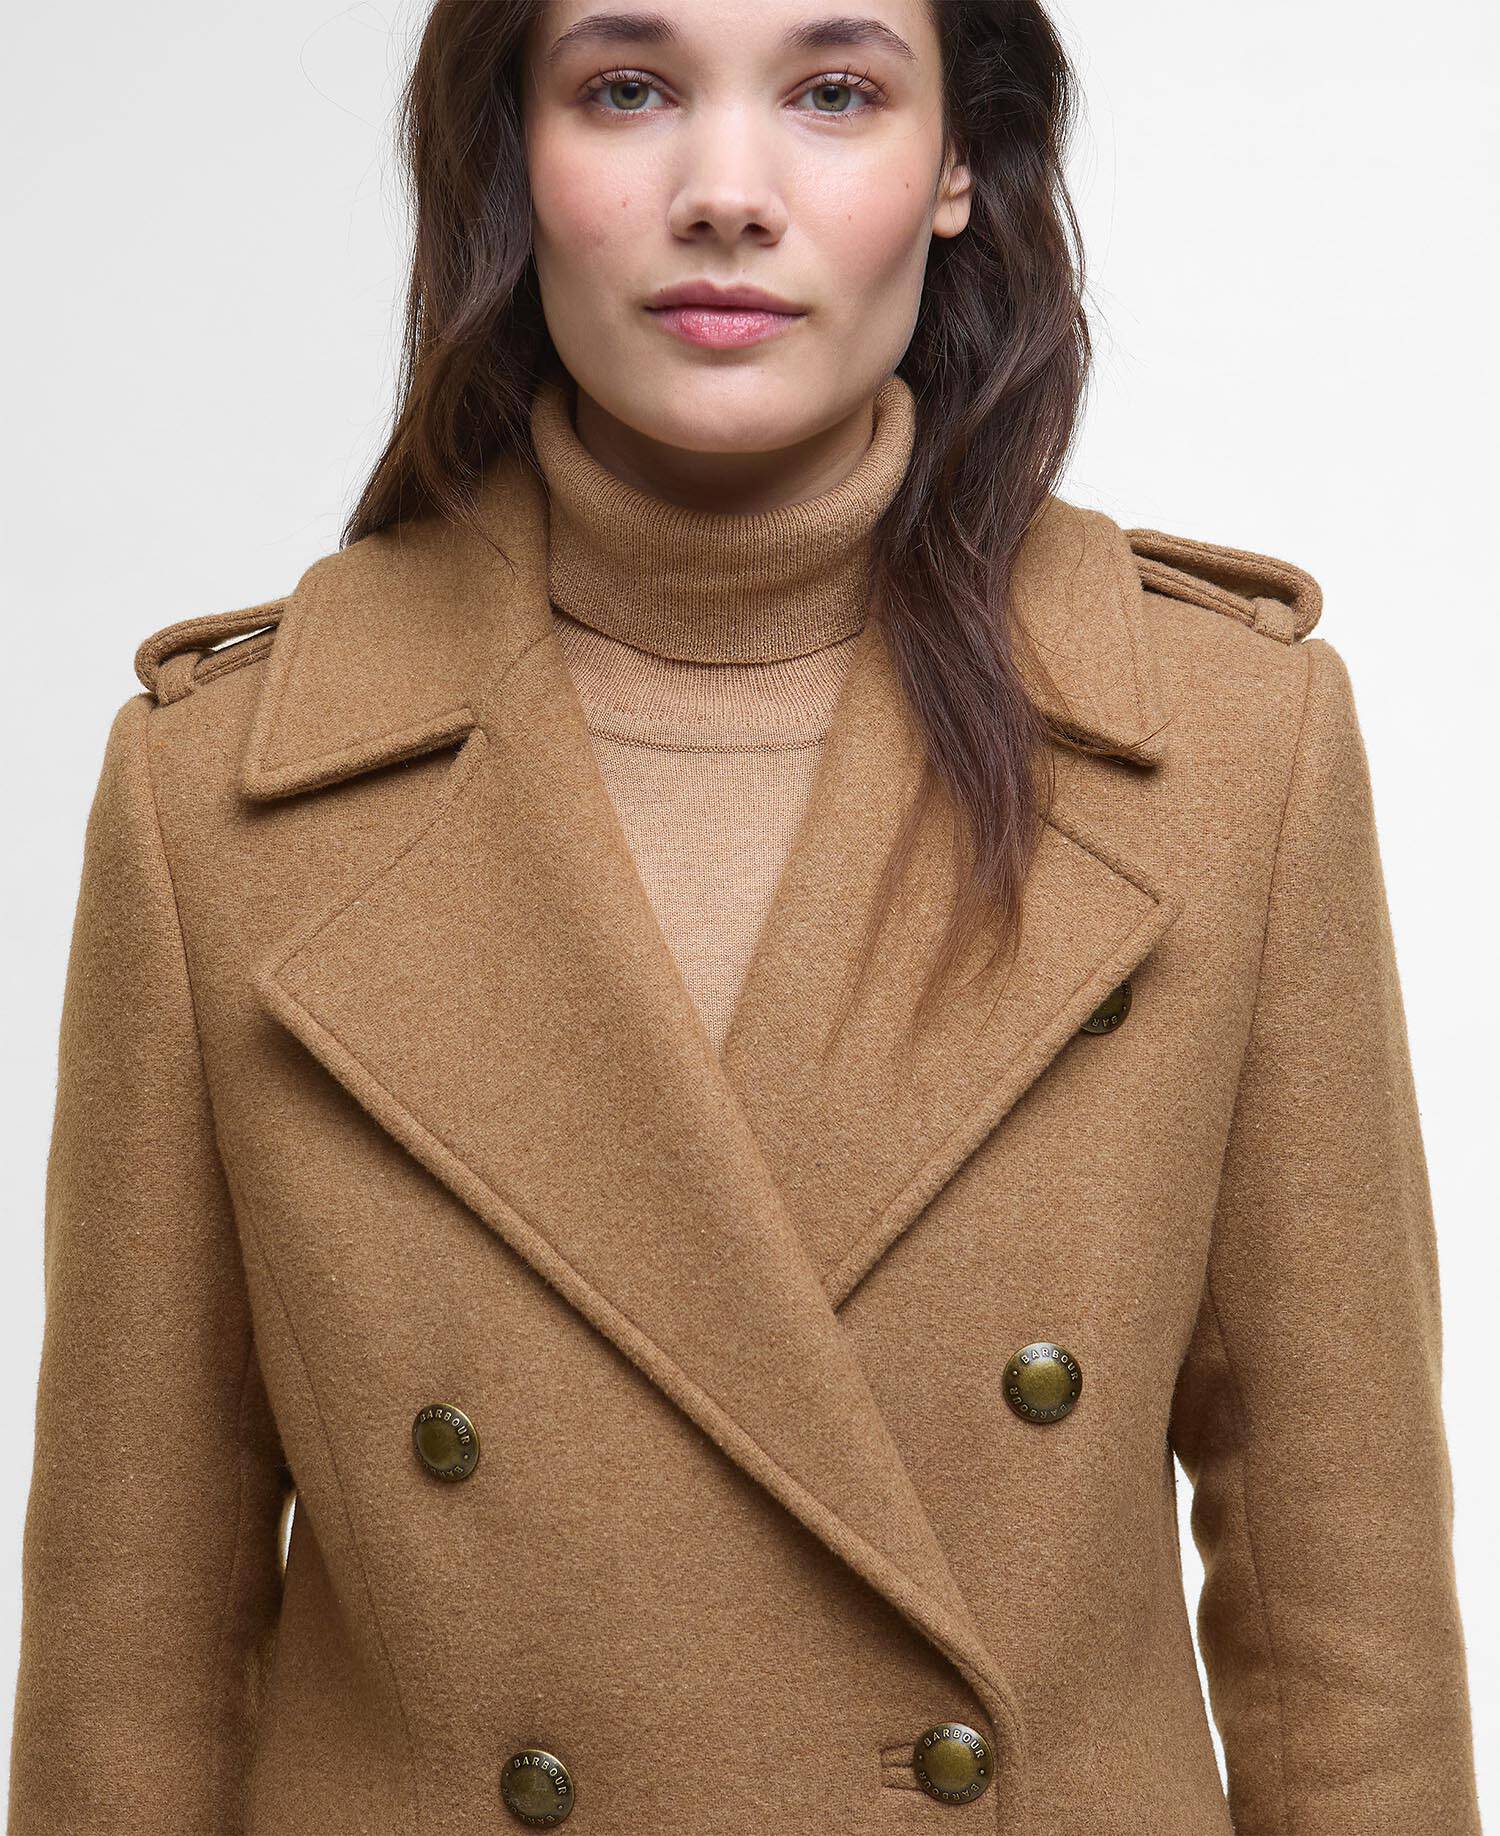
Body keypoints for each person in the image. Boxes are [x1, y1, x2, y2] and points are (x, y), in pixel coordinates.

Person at [7, 0, 1482, 1829]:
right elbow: (130, 1674)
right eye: (626, 89)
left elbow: (1349, 1655)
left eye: (835, 92)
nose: (726, 191)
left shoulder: (1234, 752)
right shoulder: (219, 796)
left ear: (959, 161)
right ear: (510, 147)